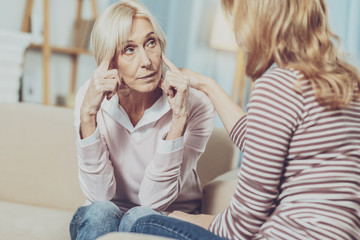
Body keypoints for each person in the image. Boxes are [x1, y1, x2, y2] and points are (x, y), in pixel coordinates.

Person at [130, 0, 360, 239]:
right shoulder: (347, 84)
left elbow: (241, 226)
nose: (237, 32)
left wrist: (177, 218)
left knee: (138, 221)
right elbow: (260, 141)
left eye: (238, 18)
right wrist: (207, 85)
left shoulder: (277, 86)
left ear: (261, 22)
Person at [69, 0, 215, 239]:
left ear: (161, 45)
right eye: (129, 49)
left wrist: (179, 118)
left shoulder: (196, 104)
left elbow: (154, 201)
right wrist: (88, 116)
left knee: (139, 217)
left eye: (150, 43)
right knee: (99, 213)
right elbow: (99, 195)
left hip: (165, 216)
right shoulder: (89, 98)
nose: (147, 61)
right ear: (109, 61)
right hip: (107, 213)